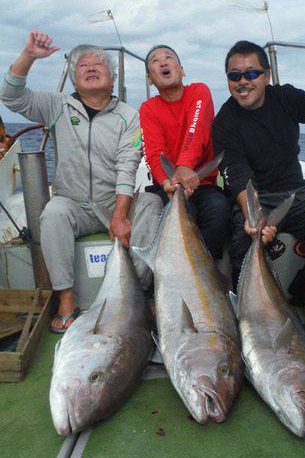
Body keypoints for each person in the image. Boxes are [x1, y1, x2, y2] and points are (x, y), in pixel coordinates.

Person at [0, 30, 162, 332]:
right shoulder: (56, 106)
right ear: (74, 80)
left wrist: (120, 214)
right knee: (53, 212)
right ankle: (66, 299)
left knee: (152, 203)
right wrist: (29, 57)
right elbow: (10, 96)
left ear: (112, 79)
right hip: (74, 205)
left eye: (98, 64)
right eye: (82, 65)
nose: (90, 67)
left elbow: (129, 164)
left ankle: (139, 291)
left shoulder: (129, 115)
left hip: (114, 203)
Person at [212, 40, 305, 291]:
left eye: (252, 73)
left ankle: (302, 289)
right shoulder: (224, 122)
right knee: (244, 244)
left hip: (296, 195)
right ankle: (241, 307)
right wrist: (255, 218)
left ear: (266, 76)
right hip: (255, 200)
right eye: (235, 76)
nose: (243, 81)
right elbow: (238, 176)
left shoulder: (284, 97)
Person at [140, 45, 229, 261]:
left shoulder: (199, 92)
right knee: (168, 214)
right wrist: (167, 182)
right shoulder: (148, 109)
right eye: (155, 61)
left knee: (219, 210)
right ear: (150, 79)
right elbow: (154, 153)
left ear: (181, 69)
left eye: (169, 57)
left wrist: (184, 167)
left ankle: (207, 270)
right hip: (169, 185)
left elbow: (196, 131)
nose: (163, 62)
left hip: (204, 184)